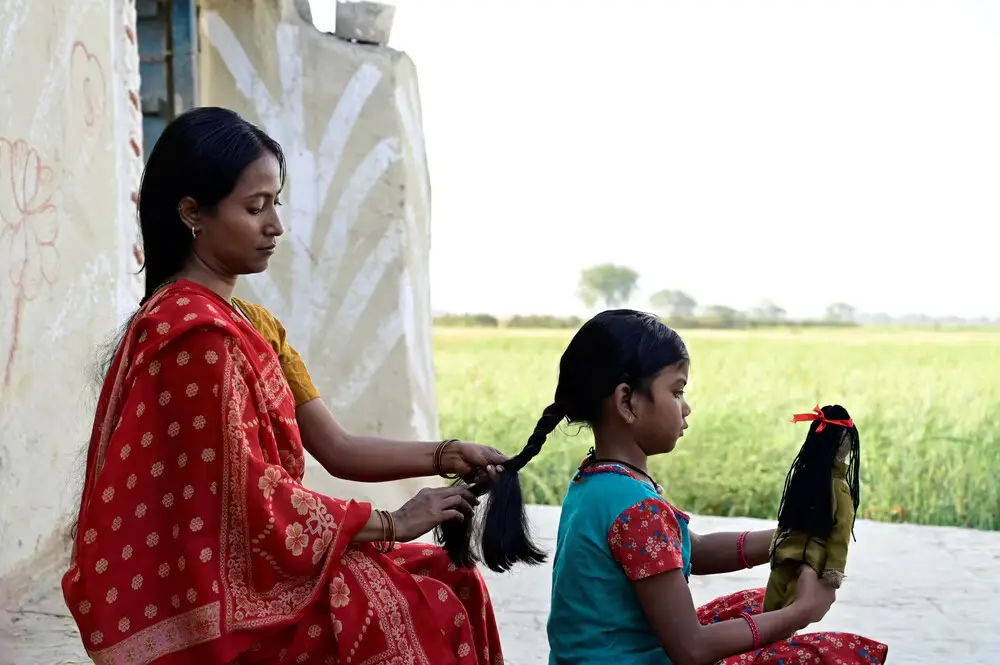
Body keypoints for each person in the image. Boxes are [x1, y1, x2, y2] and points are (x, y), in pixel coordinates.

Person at [62, 107, 509, 665]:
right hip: (219, 599)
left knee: (451, 578)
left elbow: (337, 448)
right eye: (255, 207)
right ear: (192, 213)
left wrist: (447, 455)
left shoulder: (252, 325)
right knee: (420, 609)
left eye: (276, 203)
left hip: (266, 570)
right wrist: (395, 522)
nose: (275, 225)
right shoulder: (194, 337)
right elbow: (251, 499)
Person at [443, 309, 888, 664]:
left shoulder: (598, 481)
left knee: (755, 604)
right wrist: (802, 613)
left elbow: (687, 547)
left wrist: (785, 539)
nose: (686, 407)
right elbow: (690, 649)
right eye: (677, 392)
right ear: (626, 402)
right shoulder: (635, 508)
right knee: (834, 653)